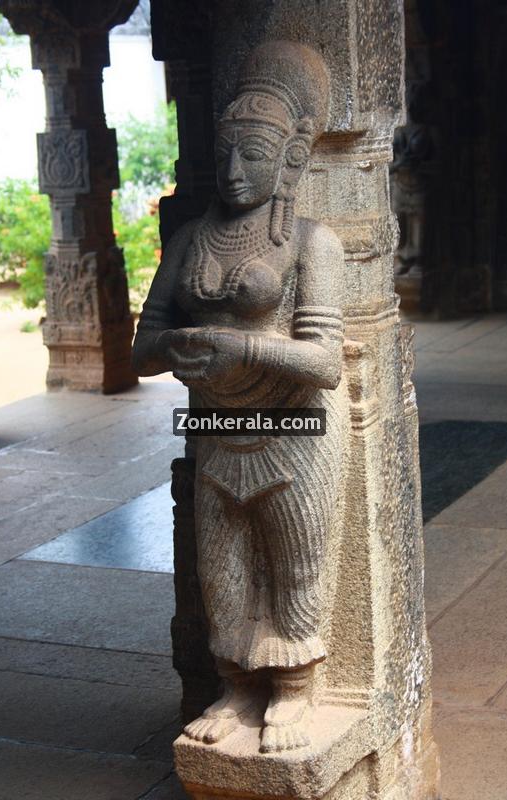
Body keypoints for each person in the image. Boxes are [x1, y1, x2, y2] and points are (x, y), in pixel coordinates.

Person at [132, 40, 347, 753]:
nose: (232, 171)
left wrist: (245, 347)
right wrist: (179, 348)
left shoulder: (312, 244)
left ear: (290, 157)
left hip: (298, 431)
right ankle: (235, 688)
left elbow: (324, 363)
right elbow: (142, 347)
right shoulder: (193, 240)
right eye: (224, 152)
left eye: (252, 154)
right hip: (220, 427)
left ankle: (295, 688)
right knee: (220, 574)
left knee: (297, 567)